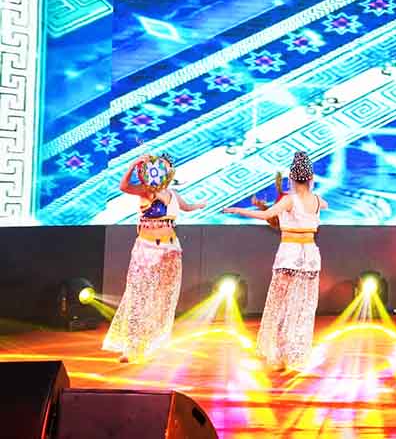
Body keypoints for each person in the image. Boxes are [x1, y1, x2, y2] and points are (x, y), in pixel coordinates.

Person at [225, 151, 326, 373]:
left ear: (292, 178)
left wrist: (238, 210)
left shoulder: (290, 199)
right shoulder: (317, 200)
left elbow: (266, 215)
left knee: (281, 304)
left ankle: (280, 353)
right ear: (310, 179)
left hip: (291, 254)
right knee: (302, 306)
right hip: (309, 256)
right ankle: (292, 353)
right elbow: (323, 206)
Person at [104, 153, 205, 363]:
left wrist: (200, 205)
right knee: (138, 296)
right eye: (158, 166)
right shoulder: (146, 192)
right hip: (146, 250)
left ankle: (154, 344)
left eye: (165, 168)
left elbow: (187, 207)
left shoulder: (173, 195)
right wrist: (133, 165)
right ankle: (131, 347)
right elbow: (123, 187)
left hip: (170, 250)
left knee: (162, 299)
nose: (160, 171)